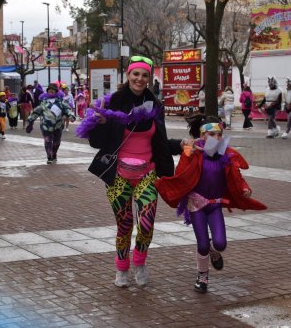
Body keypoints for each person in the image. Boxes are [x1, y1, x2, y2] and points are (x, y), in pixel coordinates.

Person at [76, 55, 184, 288]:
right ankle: (122, 268)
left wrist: (182, 145)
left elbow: (161, 142)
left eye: (145, 75)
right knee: (124, 225)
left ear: (149, 78)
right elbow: (97, 143)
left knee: (146, 224)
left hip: (148, 174)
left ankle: (141, 261)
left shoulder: (155, 106)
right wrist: (100, 123)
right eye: (136, 74)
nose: (140, 79)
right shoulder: (112, 101)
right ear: (128, 75)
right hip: (118, 176)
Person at [155, 115, 266, 293]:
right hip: (196, 206)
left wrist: (245, 188)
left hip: (214, 205)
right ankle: (202, 277)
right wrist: (188, 153)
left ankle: (214, 252)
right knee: (203, 245)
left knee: (220, 244)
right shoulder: (192, 152)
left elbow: (236, 176)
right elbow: (181, 176)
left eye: (219, 134)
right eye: (211, 134)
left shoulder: (226, 153)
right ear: (202, 135)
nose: (216, 138)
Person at [26, 83, 76, 163]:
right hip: (46, 126)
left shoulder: (61, 102)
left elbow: (67, 109)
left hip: (58, 125)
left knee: (57, 142)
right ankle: (49, 157)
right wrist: (31, 121)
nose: (51, 91)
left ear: (56, 91)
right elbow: (36, 111)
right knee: (48, 141)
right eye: (50, 90)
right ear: (47, 91)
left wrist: (71, 116)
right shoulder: (43, 102)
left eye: (53, 90)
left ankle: (54, 153)